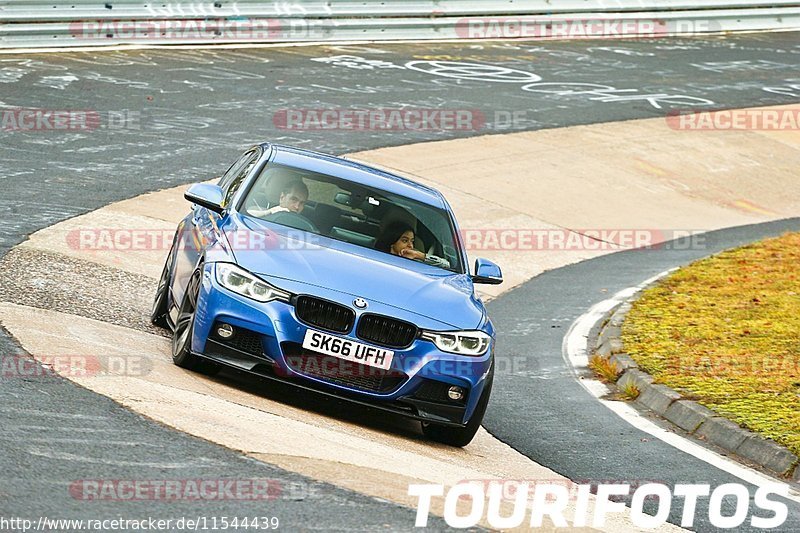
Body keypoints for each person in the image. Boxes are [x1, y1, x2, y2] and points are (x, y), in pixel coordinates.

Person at [376, 222, 450, 268]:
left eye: (412, 241)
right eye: (405, 241)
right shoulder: (376, 256)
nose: (410, 246)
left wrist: (420, 256)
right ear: (392, 241)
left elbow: (446, 265)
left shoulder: (416, 261)